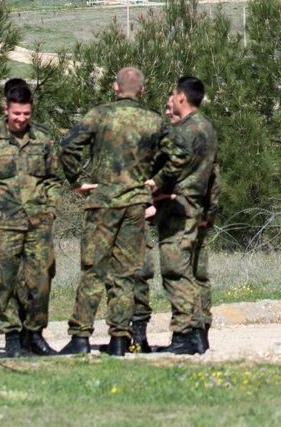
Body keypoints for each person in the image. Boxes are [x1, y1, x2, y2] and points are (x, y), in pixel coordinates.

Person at [56, 65, 183, 356]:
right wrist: (157, 181)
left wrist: (77, 181)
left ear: (115, 87)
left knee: (93, 270)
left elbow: (68, 147)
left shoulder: (98, 115)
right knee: (126, 274)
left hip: (102, 202)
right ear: (142, 91)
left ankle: (80, 336)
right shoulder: (154, 121)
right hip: (135, 204)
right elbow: (179, 155)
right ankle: (118, 338)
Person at [0, 78, 62, 356]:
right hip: (4, 222)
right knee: (5, 281)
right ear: (6, 109)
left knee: (40, 280)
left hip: (37, 222)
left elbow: (53, 179)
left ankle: (34, 334)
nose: (21, 119)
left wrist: (51, 208)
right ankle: (11, 336)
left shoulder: (43, 138)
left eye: (26, 113)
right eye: (16, 113)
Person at [145, 75, 218, 355]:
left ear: (181, 97)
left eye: (173, 95)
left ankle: (183, 336)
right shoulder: (208, 129)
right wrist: (209, 212)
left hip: (178, 208)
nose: (171, 100)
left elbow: (168, 169)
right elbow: (214, 176)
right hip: (198, 208)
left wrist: (153, 188)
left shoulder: (182, 132)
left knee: (176, 271)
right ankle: (199, 333)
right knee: (197, 274)